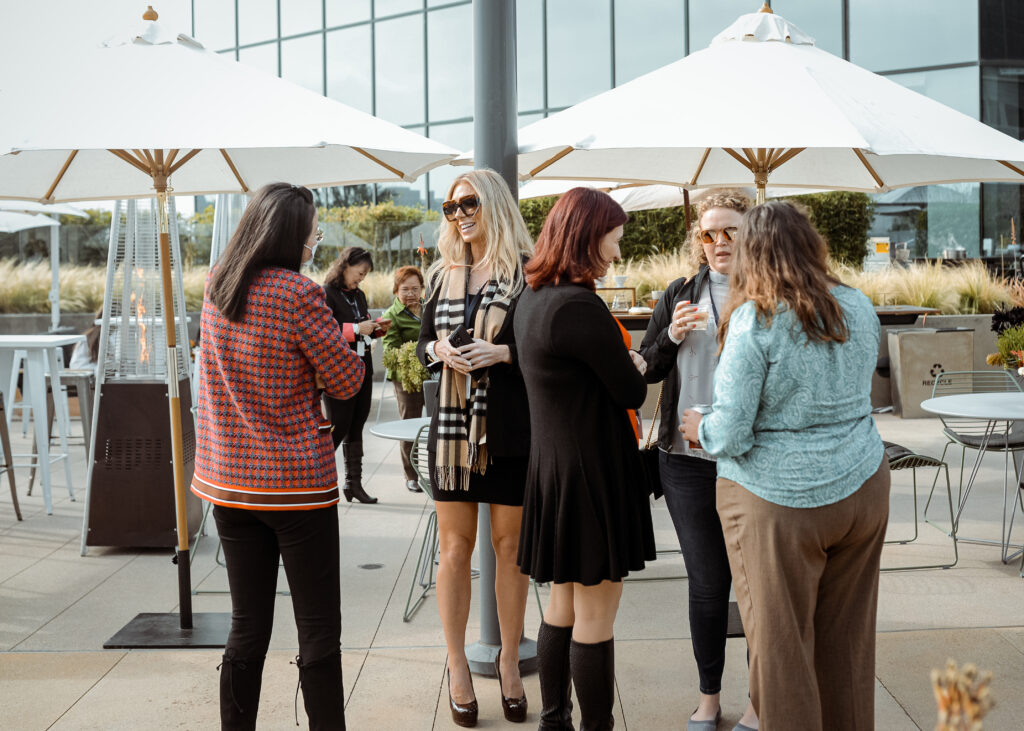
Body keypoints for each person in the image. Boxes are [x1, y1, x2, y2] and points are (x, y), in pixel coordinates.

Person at [681, 200, 890, 731]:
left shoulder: (757, 317)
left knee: (781, 652)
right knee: (847, 645)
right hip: (862, 485)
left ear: (754, 251)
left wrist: (696, 429)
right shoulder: (858, 304)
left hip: (777, 500)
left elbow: (729, 431)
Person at [190, 182, 365, 730]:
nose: (316, 238)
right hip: (295, 485)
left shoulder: (219, 283)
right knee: (317, 628)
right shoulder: (297, 293)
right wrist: (346, 348)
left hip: (228, 482)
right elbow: (346, 381)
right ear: (292, 232)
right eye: (312, 229)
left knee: (247, 625)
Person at [516, 187, 655, 731]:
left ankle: (555, 722)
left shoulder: (532, 298)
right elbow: (629, 392)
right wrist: (635, 363)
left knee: (561, 607)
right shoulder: (579, 304)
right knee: (595, 616)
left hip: (554, 470)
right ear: (588, 237)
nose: (616, 253)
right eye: (614, 241)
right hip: (594, 474)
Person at [638, 191, 759, 731]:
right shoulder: (681, 292)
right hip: (685, 459)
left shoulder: (769, 292)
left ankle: (760, 700)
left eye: (728, 231)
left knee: (759, 586)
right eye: (707, 234)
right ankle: (709, 698)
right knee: (708, 584)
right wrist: (671, 334)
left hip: (751, 458)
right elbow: (646, 368)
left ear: (751, 232)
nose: (717, 243)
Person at [416, 169, 533, 727]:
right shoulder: (442, 275)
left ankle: (510, 663)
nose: (459, 214)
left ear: (493, 205)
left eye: (468, 204)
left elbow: (542, 346)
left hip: (508, 428)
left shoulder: (528, 273)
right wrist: (439, 347)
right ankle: (458, 664)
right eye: (450, 206)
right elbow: (419, 348)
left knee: (510, 550)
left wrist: (503, 356)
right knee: (454, 550)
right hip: (451, 432)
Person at [323, 246, 390, 504]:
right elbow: (323, 334)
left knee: (357, 425)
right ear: (345, 266)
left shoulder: (359, 295)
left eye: (364, 275)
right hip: (339, 372)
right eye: (358, 273)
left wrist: (375, 330)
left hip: (363, 366)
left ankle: (353, 484)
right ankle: (317, 479)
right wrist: (354, 328)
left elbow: (362, 329)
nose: (360, 278)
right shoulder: (326, 294)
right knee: (338, 426)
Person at [380, 265, 426, 493]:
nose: (410, 294)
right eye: (405, 289)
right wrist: (413, 359)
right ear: (396, 290)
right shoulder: (391, 316)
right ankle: (411, 475)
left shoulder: (428, 310)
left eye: (415, 289)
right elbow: (390, 350)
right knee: (410, 427)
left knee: (435, 425)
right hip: (406, 379)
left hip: (432, 375)